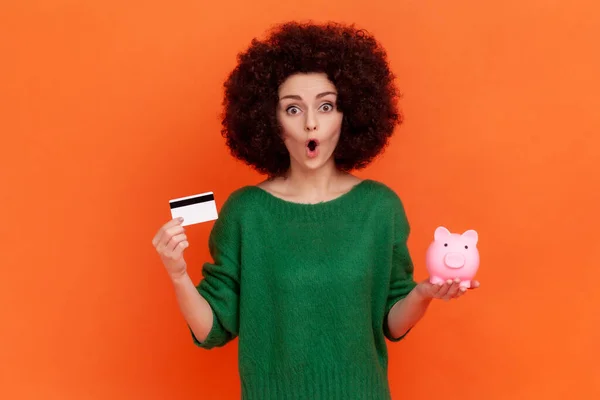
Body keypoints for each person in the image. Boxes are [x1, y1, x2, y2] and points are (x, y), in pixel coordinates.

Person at [152, 21, 480, 399]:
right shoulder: (246, 213)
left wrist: (422, 293)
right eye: (293, 109)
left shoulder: (379, 208)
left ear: (349, 114)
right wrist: (177, 274)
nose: (311, 123)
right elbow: (212, 329)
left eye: (326, 106)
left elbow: (391, 322)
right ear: (271, 121)